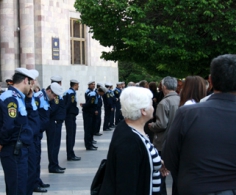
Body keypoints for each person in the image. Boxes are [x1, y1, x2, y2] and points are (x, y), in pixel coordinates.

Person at [163, 54, 236, 195]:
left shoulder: (187, 114)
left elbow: (170, 157)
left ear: (211, 80)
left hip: (195, 187)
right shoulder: (187, 113)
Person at [100, 87, 168, 194]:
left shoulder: (130, 128)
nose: (153, 107)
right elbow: (126, 184)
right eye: (151, 104)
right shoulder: (129, 140)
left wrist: (157, 162)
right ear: (143, 111)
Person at [0, 68, 38, 195]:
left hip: (18, 148)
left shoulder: (18, 97)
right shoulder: (10, 98)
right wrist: (2, 142)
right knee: (17, 187)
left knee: (19, 185)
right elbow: (9, 126)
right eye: (30, 83)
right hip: (14, 150)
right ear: (25, 80)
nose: (31, 86)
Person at [148, 76, 180, 195]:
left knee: (161, 174)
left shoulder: (164, 102)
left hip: (163, 142)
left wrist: (152, 126)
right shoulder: (181, 99)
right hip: (177, 143)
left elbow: (161, 124)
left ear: (164, 86)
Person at [33, 82, 61, 192]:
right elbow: (34, 116)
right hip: (35, 133)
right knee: (34, 159)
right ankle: (34, 183)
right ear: (49, 91)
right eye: (54, 95)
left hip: (38, 133)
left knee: (37, 158)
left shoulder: (45, 98)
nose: (54, 98)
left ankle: (37, 180)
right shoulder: (38, 97)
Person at [47, 75, 66, 173]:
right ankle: (53, 165)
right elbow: (53, 108)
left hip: (56, 122)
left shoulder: (57, 94)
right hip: (54, 123)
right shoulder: (56, 96)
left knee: (55, 145)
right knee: (54, 145)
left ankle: (55, 164)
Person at [63, 79, 81, 161]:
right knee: (71, 135)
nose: (78, 86)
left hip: (69, 116)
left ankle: (71, 153)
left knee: (70, 135)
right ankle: (70, 154)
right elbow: (70, 105)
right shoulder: (71, 93)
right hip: (70, 116)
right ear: (75, 85)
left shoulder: (67, 92)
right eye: (78, 85)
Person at [80, 81, 98, 150]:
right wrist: (84, 105)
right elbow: (90, 103)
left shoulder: (91, 91)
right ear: (89, 85)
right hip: (88, 112)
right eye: (92, 84)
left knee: (91, 129)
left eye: (94, 84)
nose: (93, 85)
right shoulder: (90, 92)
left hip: (90, 112)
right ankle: (88, 145)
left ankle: (90, 143)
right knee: (88, 129)